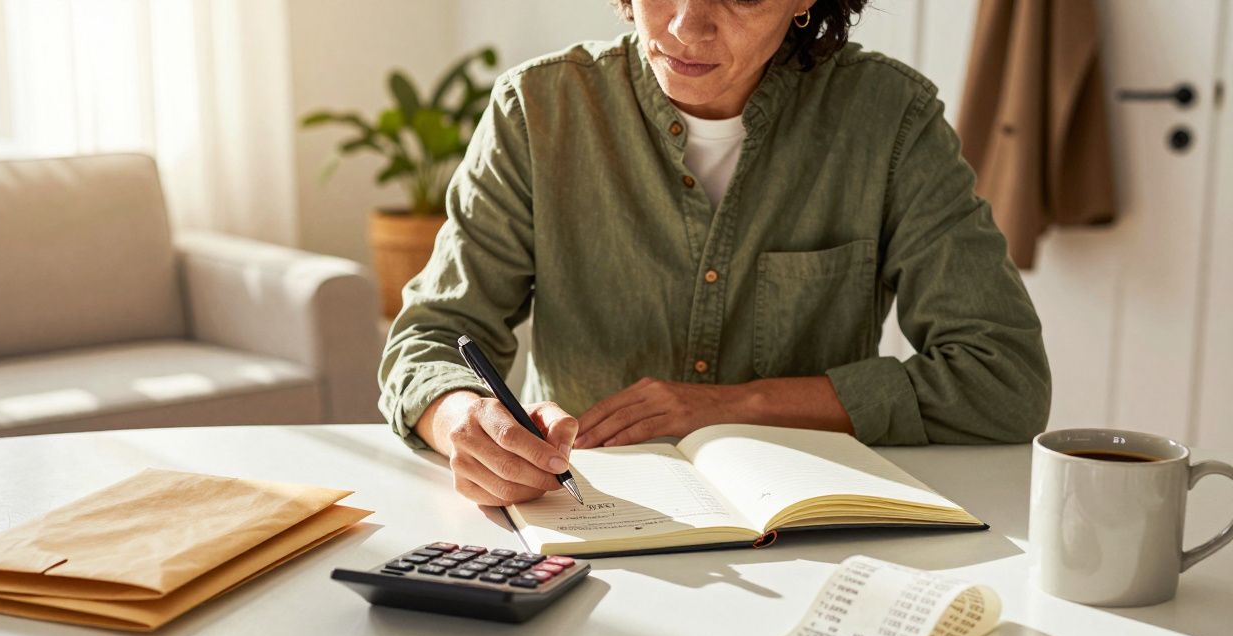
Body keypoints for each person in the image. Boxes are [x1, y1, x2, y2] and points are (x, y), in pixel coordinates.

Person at [378, 0, 1052, 508]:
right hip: (581, 520)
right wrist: (463, 419)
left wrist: (737, 403)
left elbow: (1002, 380)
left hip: (810, 531)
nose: (686, 27)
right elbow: (431, 340)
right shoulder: (539, 110)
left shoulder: (889, 118)